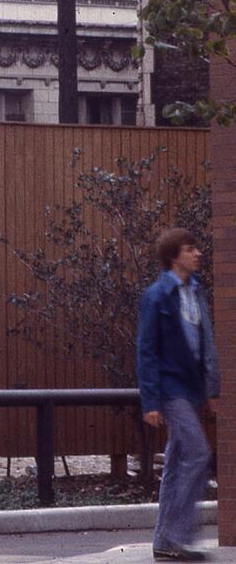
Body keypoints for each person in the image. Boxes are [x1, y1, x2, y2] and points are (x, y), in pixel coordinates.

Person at [137, 228, 219, 563]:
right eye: (190, 249)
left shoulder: (196, 292)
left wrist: (211, 390)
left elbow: (206, 344)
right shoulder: (157, 296)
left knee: (174, 464)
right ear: (174, 256)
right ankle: (178, 536)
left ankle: (163, 541)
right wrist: (151, 401)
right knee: (199, 453)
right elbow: (146, 351)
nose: (197, 253)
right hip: (170, 389)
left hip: (191, 390)